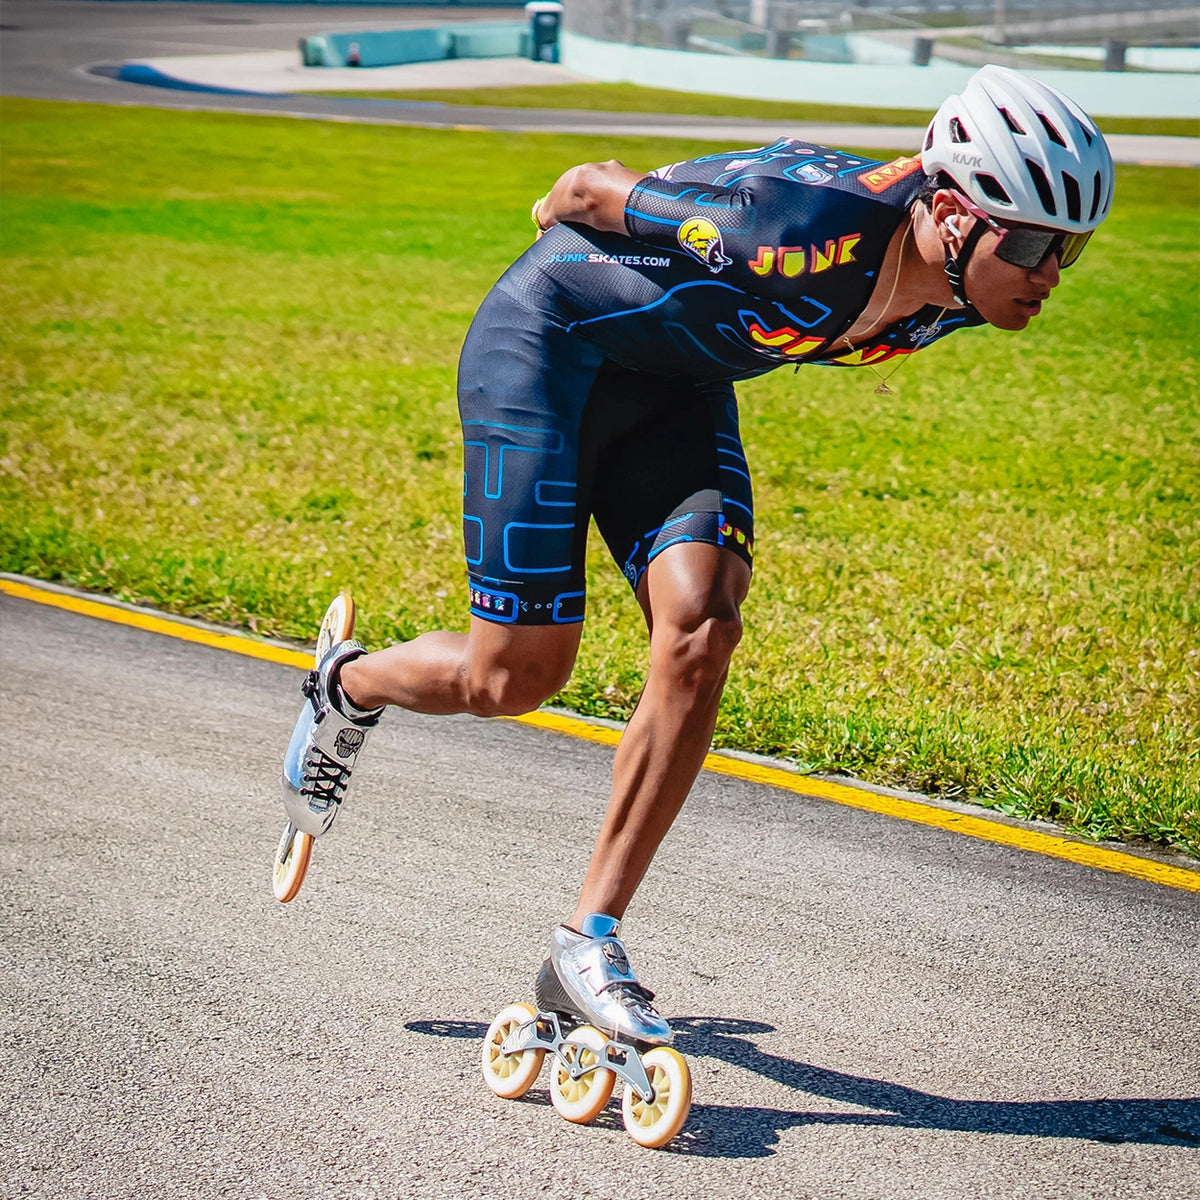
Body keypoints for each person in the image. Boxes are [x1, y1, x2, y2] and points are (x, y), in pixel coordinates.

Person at [281, 65, 1114, 1045]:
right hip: (547, 350)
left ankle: (585, 944)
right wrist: (574, 227)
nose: (1050, 275)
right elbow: (587, 189)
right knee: (513, 679)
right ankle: (348, 685)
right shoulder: (800, 227)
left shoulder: (968, 290)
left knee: (703, 629)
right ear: (952, 212)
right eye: (1034, 244)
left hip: (675, 391)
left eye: (1070, 250)